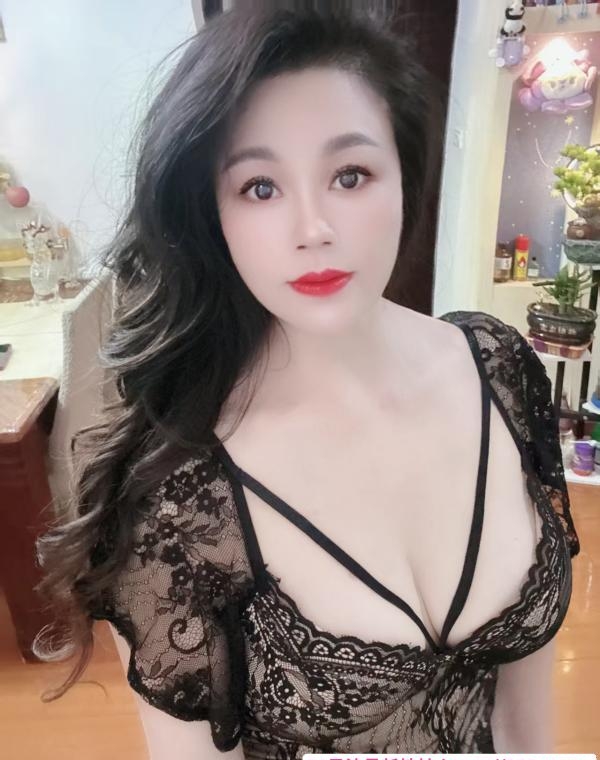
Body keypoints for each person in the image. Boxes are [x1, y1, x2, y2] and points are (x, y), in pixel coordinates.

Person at [33, 4, 580, 759]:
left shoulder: (502, 370)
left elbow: (526, 726)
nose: (312, 228)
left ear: (406, 176)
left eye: (350, 175)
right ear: (211, 214)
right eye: (260, 187)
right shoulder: (177, 495)